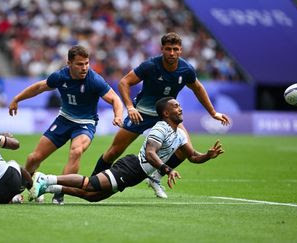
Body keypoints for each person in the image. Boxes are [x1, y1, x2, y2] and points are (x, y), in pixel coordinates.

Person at [90, 32, 230, 198]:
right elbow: (124, 82)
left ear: (181, 51)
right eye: (168, 49)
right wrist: (130, 107)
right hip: (141, 113)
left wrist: (213, 113)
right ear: (162, 49)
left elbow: (198, 88)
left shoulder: (186, 69)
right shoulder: (150, 65)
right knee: (114, 151)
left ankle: (155, 178)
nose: (172, 53)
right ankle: (92, 183)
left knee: (185, 149)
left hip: (167, 116)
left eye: (175, 49)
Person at [30, 97, 224, 202]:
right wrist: (167, 170)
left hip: (137, 174)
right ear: (166, 113)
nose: (180, 108)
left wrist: (208, 155)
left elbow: (193, 157)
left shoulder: (180, 134)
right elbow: (150, 153)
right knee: (90, 184)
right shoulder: (160, 128)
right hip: (131, 167)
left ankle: (50, 187)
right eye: (175, 106)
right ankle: (45, 178)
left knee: (92, 197)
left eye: (180, 106)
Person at [8, 45, 123, 204]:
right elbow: (40, 87)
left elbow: (115, 99)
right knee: (34, 157)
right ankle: (22, 188)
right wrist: (17, 99)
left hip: (85, 123)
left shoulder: (94, 80)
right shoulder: (60, 76)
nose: (84, 68)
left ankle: (59, 192)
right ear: (69, 63)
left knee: (76, 151)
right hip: (64, 119)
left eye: (86, 63)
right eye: (79, 64)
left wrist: (118, 115)